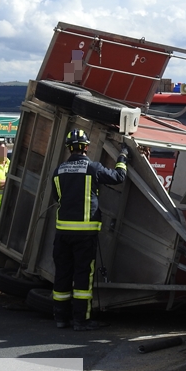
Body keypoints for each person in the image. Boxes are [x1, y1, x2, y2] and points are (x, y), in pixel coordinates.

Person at [52, 129, 128, 331]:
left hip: (62, 233)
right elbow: (119, 176)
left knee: (62, 274)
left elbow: (56, 198)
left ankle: (61, 319)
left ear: (69, 148)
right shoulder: (92, 168)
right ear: (86, 147)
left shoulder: (58, 171)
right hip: (85, 234)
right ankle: (81, 321)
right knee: (83, 276)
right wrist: (123, 156)